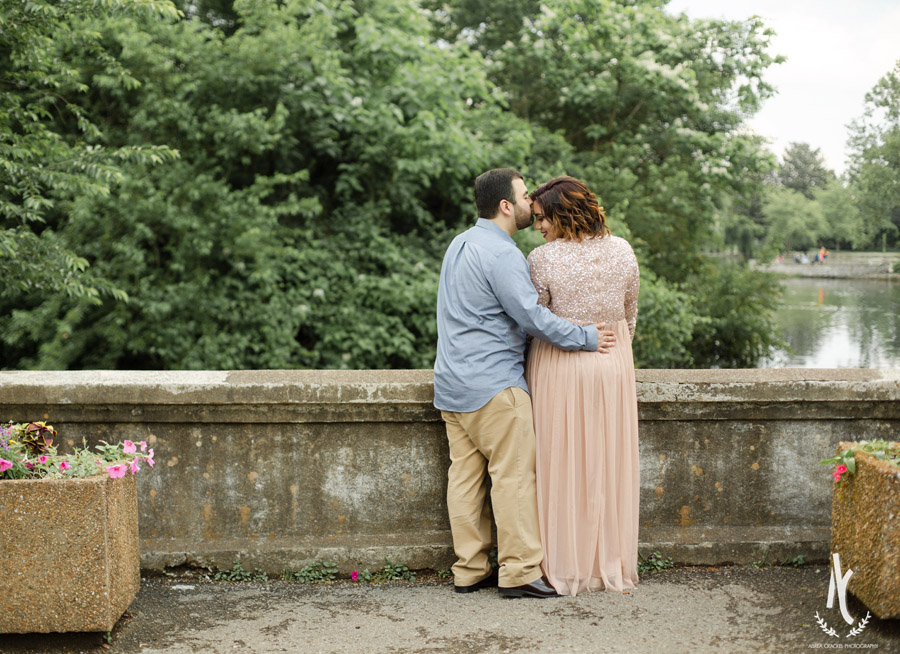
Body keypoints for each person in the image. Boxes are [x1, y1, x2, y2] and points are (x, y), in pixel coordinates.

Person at [433, 168, 616, 599]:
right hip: (495, 386)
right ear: (504, 205)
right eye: (523, 194)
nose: (529, 201)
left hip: (452, 385)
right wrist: (586, 337)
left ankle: (470, 569)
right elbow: (532, 317)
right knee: (514, 478)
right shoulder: (503, 254)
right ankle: (518, 572)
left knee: (464, 479)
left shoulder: (459, 244)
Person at [525, 175, 640, 596]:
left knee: (560, 464)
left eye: (541, 218)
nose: (538, 227)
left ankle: (562, 562)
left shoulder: (541, 259)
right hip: (613, 367)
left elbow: (535, 321)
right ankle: (607, 563)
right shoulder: (624, 250)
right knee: (606, 464)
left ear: (561, 213)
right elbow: (629, 319)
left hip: (559, 366)